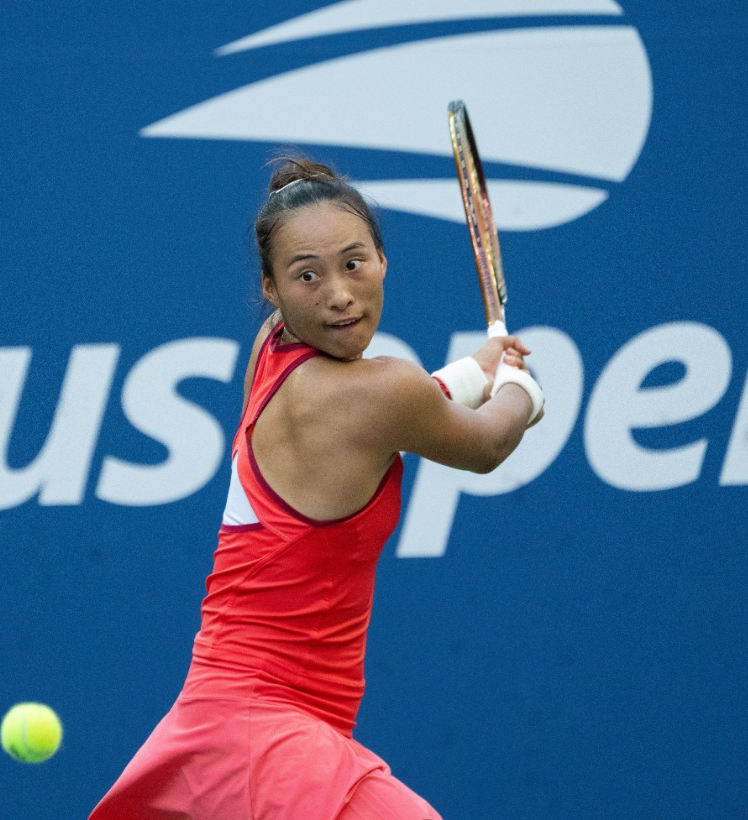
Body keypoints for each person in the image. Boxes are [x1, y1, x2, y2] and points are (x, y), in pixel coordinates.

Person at [89, 157, 544, 820]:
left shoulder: (274, 348)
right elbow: (486, 444)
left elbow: (398, 409)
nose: (337, 293)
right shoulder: (379, 392)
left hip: (229, 720)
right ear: (271, 287)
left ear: (383, 260)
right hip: (265, 736)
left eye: (353, 263)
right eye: (307, 275)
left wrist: (478, 373)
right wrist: (519, 389)